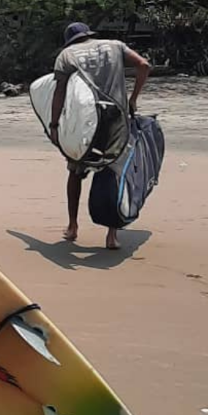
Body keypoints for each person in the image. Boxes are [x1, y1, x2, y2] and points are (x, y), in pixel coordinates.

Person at [49, 21, 152, 250]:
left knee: (76, 171)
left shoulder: (66, 56)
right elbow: (144, 65)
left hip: (86, 121)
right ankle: (111, 235)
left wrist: (55, 125)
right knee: (113, 170)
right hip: (116, 117)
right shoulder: (115, 46)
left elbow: (59, 92)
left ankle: (72, 226)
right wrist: (133, 99)